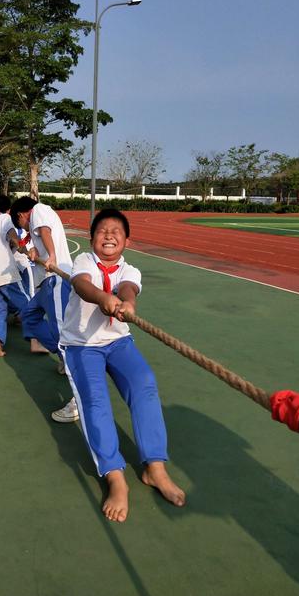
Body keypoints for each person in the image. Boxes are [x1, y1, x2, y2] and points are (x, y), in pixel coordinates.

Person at [59, 208, 185, 522]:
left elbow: (128, 289)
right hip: (81, 346)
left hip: (118, 342)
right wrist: (103, 299)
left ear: (127, 240)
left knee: (145, 384)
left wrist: (126, 303)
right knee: (96, 404)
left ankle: (155, 468)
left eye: (117, 231)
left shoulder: (131, 270)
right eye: (102, 231)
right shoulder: (84, 262)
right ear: (91, 239)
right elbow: (82, 285)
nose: (110, 235)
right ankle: (115, 478)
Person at [10, 196, 77, 422]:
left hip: (56, 279)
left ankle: (79, 397)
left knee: (62, 334)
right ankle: (61, 356)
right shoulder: (36, 227)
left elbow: (46, 232)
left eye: (20, 224)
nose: (24, 228)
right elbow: (41, 239)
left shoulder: (39, 210)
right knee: (28, 318)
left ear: (21, 215)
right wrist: (35, 253)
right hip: (44, 284)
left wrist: (52, 256)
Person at [0, 195, 38, 357]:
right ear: (9, 210)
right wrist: (19, 245)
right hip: (4, 274)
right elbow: (11, 234)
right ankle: (36, 340)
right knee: (28, 304)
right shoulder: (4, 218)